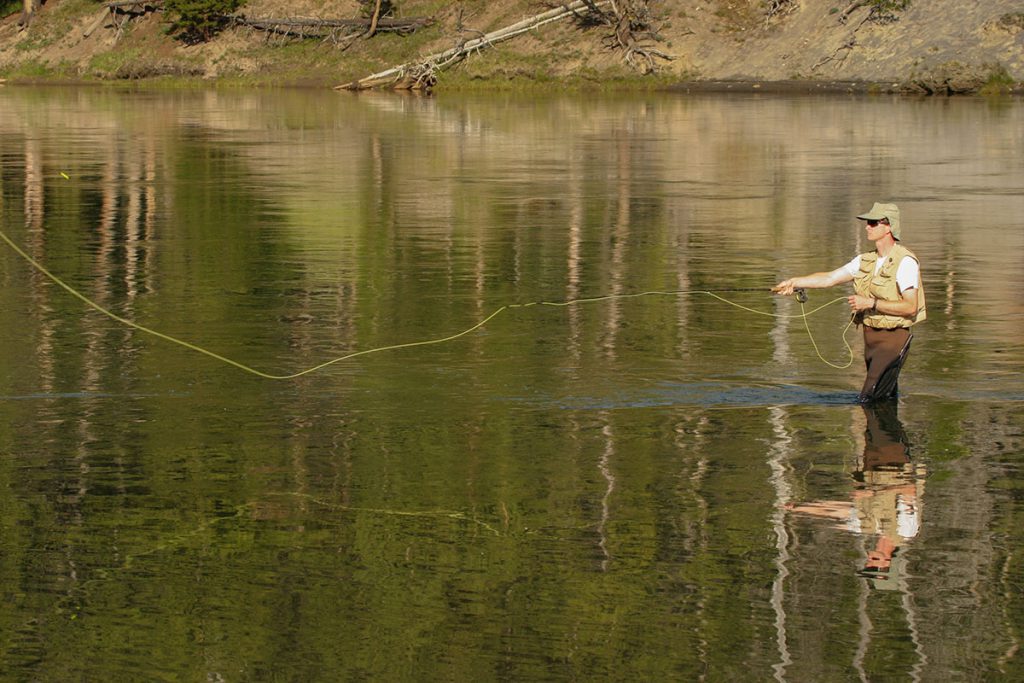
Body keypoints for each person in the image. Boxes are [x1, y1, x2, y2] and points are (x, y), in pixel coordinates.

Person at [773, 202, 926, 402]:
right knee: (884, 400)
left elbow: (910, 306)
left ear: (888, 227)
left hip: (893, 342)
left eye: (872, 223)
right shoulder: (864, 260)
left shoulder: (905, 262)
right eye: (867, 223)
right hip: (871, 341)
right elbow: (829, 278)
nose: (867, 227)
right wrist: (794, 282)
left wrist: (870, 303)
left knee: (868, 400)